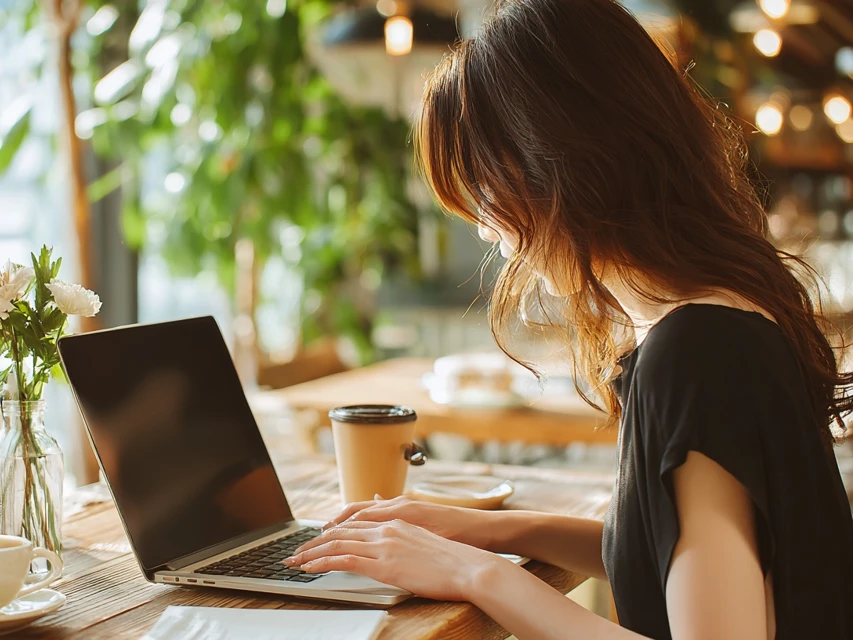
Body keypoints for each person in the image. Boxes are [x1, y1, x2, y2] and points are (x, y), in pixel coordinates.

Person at [282, 0, 853, 637]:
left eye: (485, 191)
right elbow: (657, 551)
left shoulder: (696, 353)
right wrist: (487, 530)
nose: (489, 231)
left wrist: (477, 574)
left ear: (559, 163)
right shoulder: (723, 317)